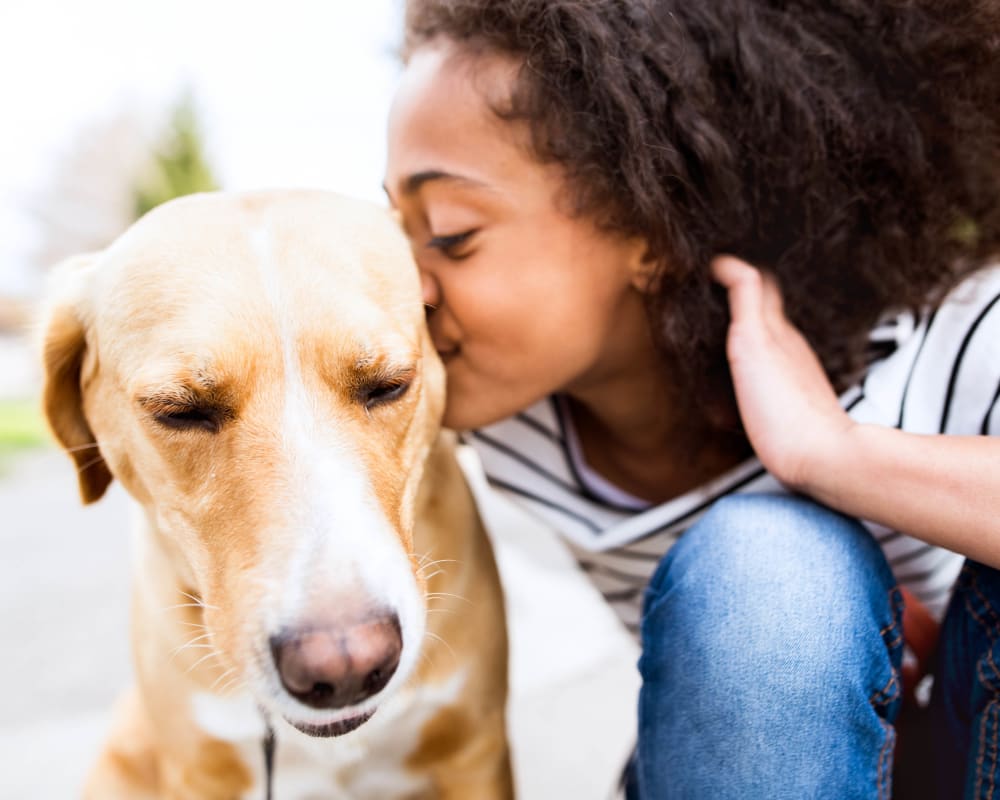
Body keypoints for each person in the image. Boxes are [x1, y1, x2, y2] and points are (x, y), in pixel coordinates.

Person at [382, 1, 1000, 797]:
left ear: (651, 227)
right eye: (395, 227)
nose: (409, 285)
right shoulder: (508, 418)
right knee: (765, 572)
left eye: (451, 233)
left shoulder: (950, 342)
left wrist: (832, 454)